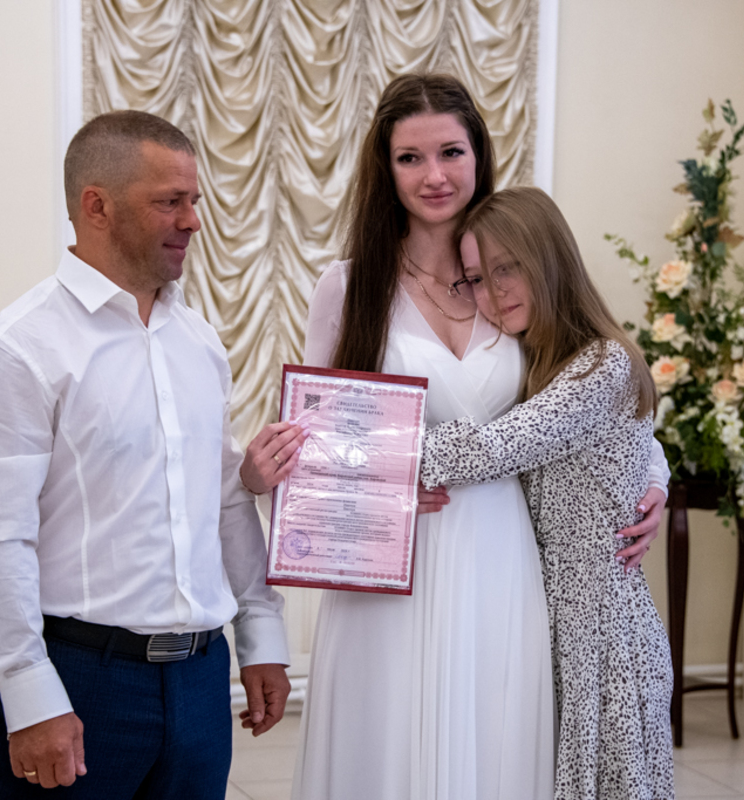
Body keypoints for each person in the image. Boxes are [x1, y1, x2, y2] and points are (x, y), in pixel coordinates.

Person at [240, 73, 668, 800]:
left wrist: (652, 478)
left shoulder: (516, 278)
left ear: (478, 156)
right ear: (385, 168)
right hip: (391, 564)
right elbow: (323, 435)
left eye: (450, 152)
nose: (433, 176)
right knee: (387, 750)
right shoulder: (349, 287)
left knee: (494, 745)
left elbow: (593, 393)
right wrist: (352, 478)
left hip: (504, 557)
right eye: (410, 158)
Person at [0, 110, 291, 799]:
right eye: (170, 201)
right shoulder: (16, 349)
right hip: (80, 678)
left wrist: (263, 635)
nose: (193, 221)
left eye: (194, 200)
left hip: (201, 680)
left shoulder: (199, 342)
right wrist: (29, 691)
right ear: (95, 206)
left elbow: (223, 500)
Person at [419, 187, 675, 800]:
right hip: (552, 618)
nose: (493, 293)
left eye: (507, 268)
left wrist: (359, 447)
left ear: (549, 258)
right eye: (476, 279)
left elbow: (489, 450)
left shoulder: (601, 365)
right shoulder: (538, 359)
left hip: (600, 633)